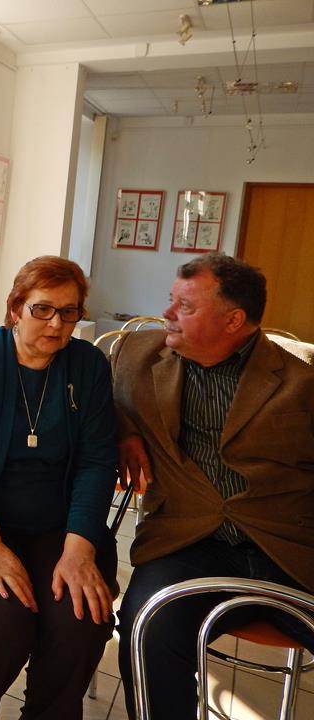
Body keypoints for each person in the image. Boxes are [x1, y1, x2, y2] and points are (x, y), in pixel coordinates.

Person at [113, 252, 314, 719]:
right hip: (187, 543)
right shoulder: (135, 356)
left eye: (185, 306)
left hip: (289, 547)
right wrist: (122, 430)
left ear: (233, 320)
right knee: (146, 629)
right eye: (171, 300)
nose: (167, 313)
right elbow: (89, 396)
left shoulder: (302, 381)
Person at [0, 256, 118, 720]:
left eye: (69, 312)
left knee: (82, 617)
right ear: (16, 309)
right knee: (0, 621)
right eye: (42, 309)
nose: (56, 323)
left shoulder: (88, 365)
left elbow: (97, 462)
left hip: (60, 526)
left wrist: (78, 552)